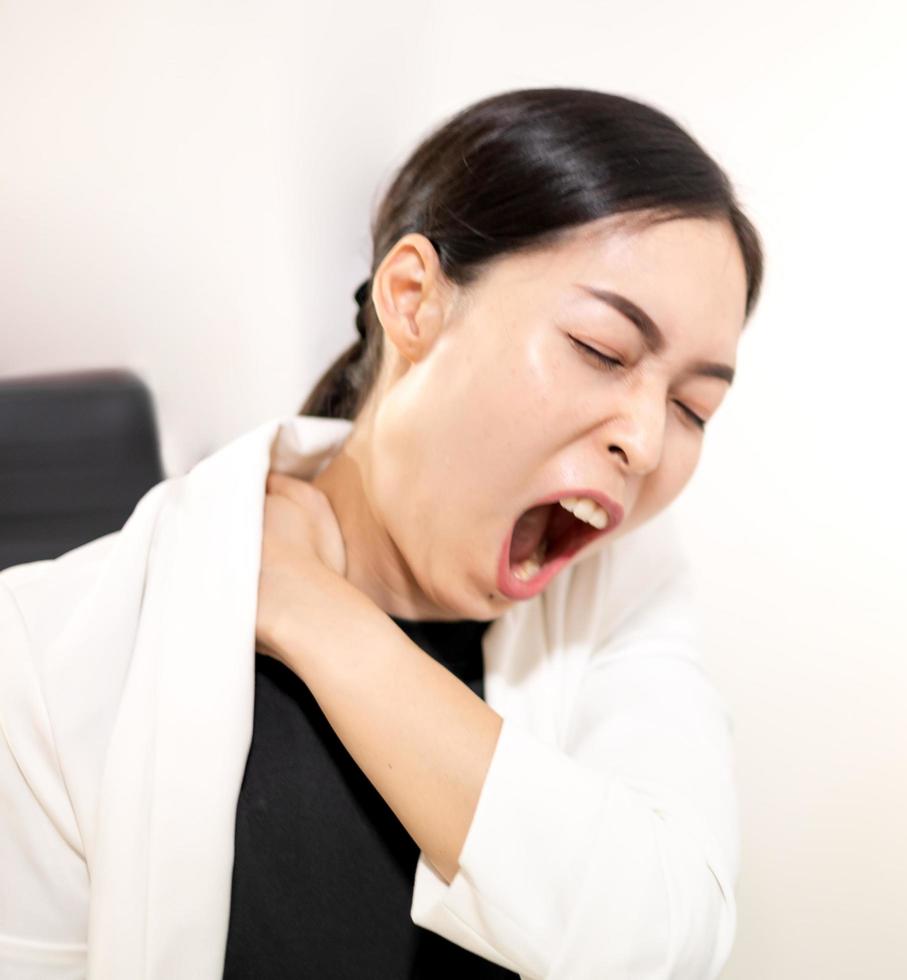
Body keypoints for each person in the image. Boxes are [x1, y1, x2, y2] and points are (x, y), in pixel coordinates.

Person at [0, 87, 764, 979]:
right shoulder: (47, 652)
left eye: (692, 407)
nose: (642, 439)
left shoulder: (627, 592)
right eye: (601, 350)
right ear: (413, 300)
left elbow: (660, 945)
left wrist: (312, 612)